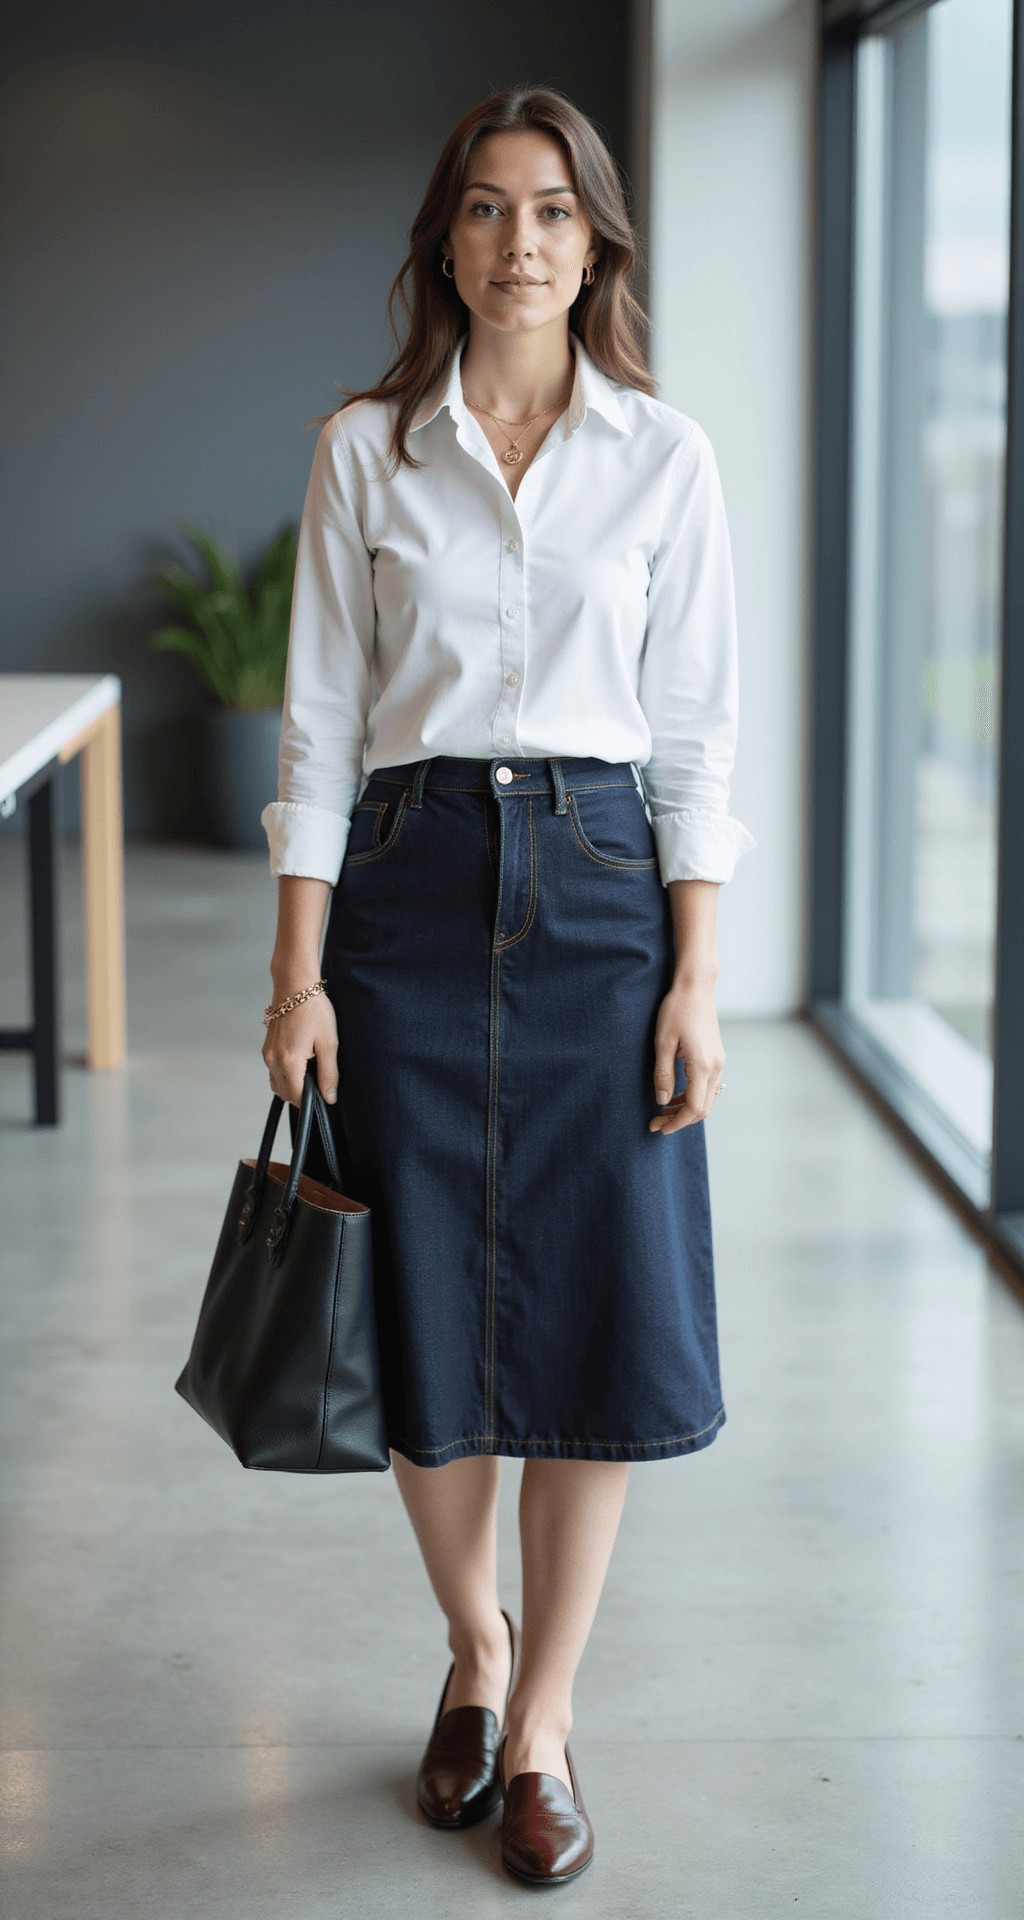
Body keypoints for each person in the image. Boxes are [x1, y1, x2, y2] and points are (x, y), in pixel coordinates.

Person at [260, 85, 753, 1887]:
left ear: (595, 243)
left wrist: (698, 974)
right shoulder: (363, 453)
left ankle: (540, 1716)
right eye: (484, 209)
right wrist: (296, 970)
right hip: (402, 889)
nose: (517, 243)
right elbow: (317, 728)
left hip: (610, 895)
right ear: (443, 240)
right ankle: (469, 1642)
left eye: (552, 212)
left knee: (597, 1302)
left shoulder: (666, 460)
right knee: (425, 1298)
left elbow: (696, 741)